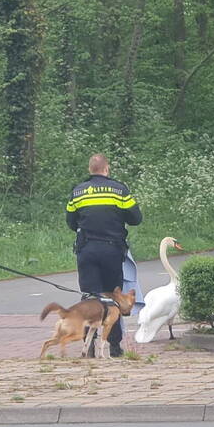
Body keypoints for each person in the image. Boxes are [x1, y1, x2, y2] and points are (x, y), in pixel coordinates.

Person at [66, 153, 142, 357]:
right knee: (113, 298)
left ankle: (88, 345)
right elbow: (136, 218)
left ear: (90, 169)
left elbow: (71, 222)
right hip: (111, 250)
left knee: (89, 297)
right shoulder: (119, 190)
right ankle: (115, 346)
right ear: (106, 169)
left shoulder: (78, 191)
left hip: (87, 250)